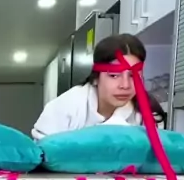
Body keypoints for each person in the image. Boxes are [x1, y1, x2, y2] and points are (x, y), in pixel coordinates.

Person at [32, 33, 166, 140]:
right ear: (96, 78)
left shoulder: (149, 115)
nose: (125, 85)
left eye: (133, 76)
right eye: (114, 75)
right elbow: (43, 153)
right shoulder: (66, 108)